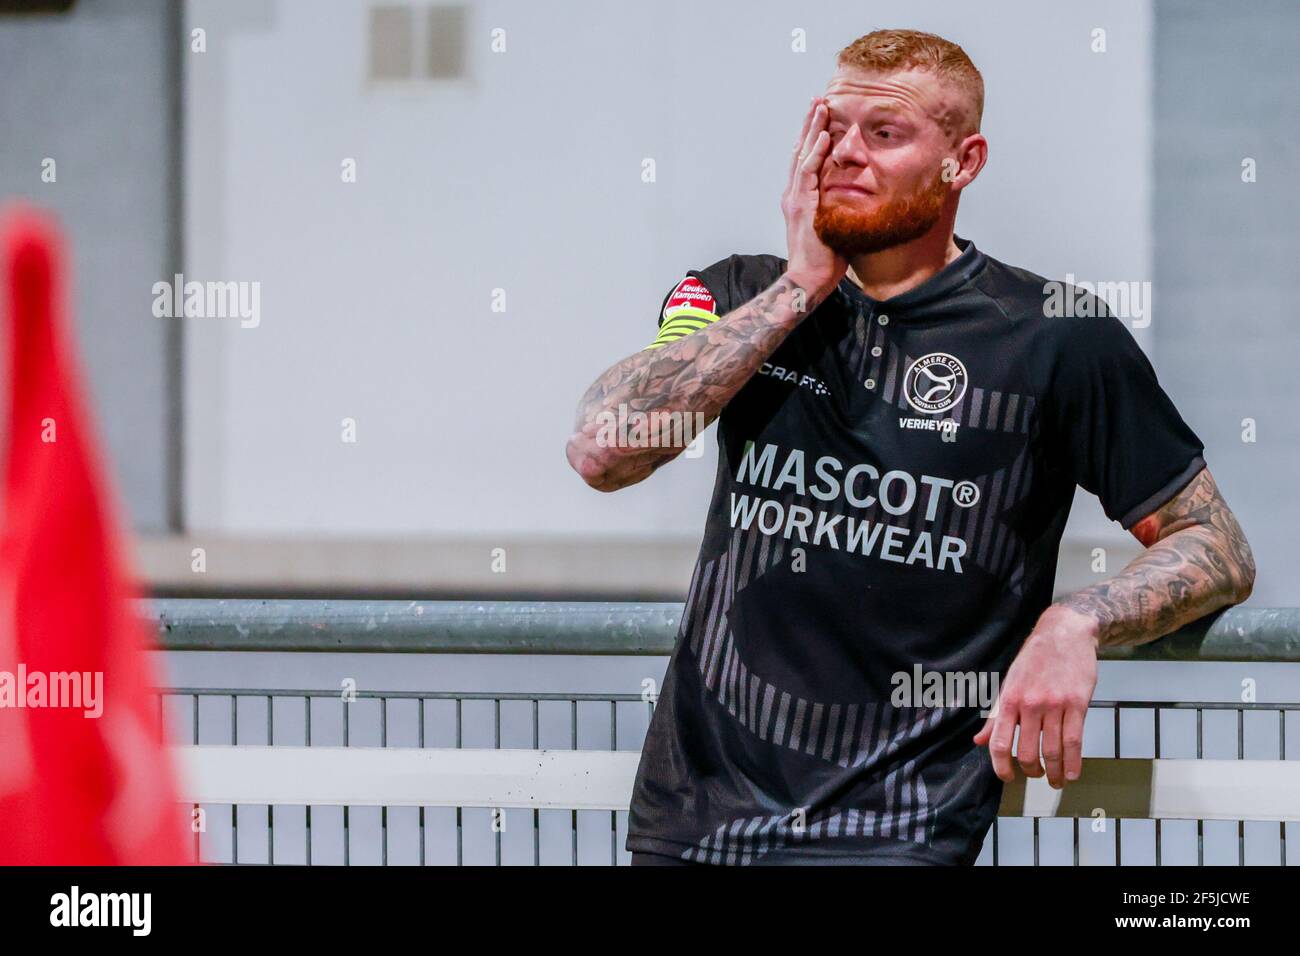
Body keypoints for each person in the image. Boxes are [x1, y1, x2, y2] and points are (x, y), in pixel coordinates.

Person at [565, 28, 1255, 865]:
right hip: (695, 826)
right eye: (832, 129)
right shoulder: (735, 294)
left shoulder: (1055, 338)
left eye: (883, 135)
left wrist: (1078, 620)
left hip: (898, 837)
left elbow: (1215, 544)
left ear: (963, 162)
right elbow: (605, 451)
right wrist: (799, 289)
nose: (846, 154)